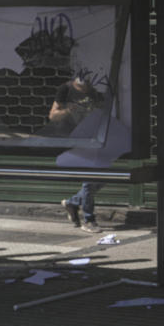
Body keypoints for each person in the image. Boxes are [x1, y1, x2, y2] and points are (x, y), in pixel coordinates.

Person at [49, 72, 104, 234]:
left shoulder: (94, 90)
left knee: (103, 179)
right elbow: (53, 116)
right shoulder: (65, 90)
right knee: (89, 179)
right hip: (74, 139)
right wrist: (69, 110)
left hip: (94, 138)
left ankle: (72, 203)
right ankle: (89, 219)